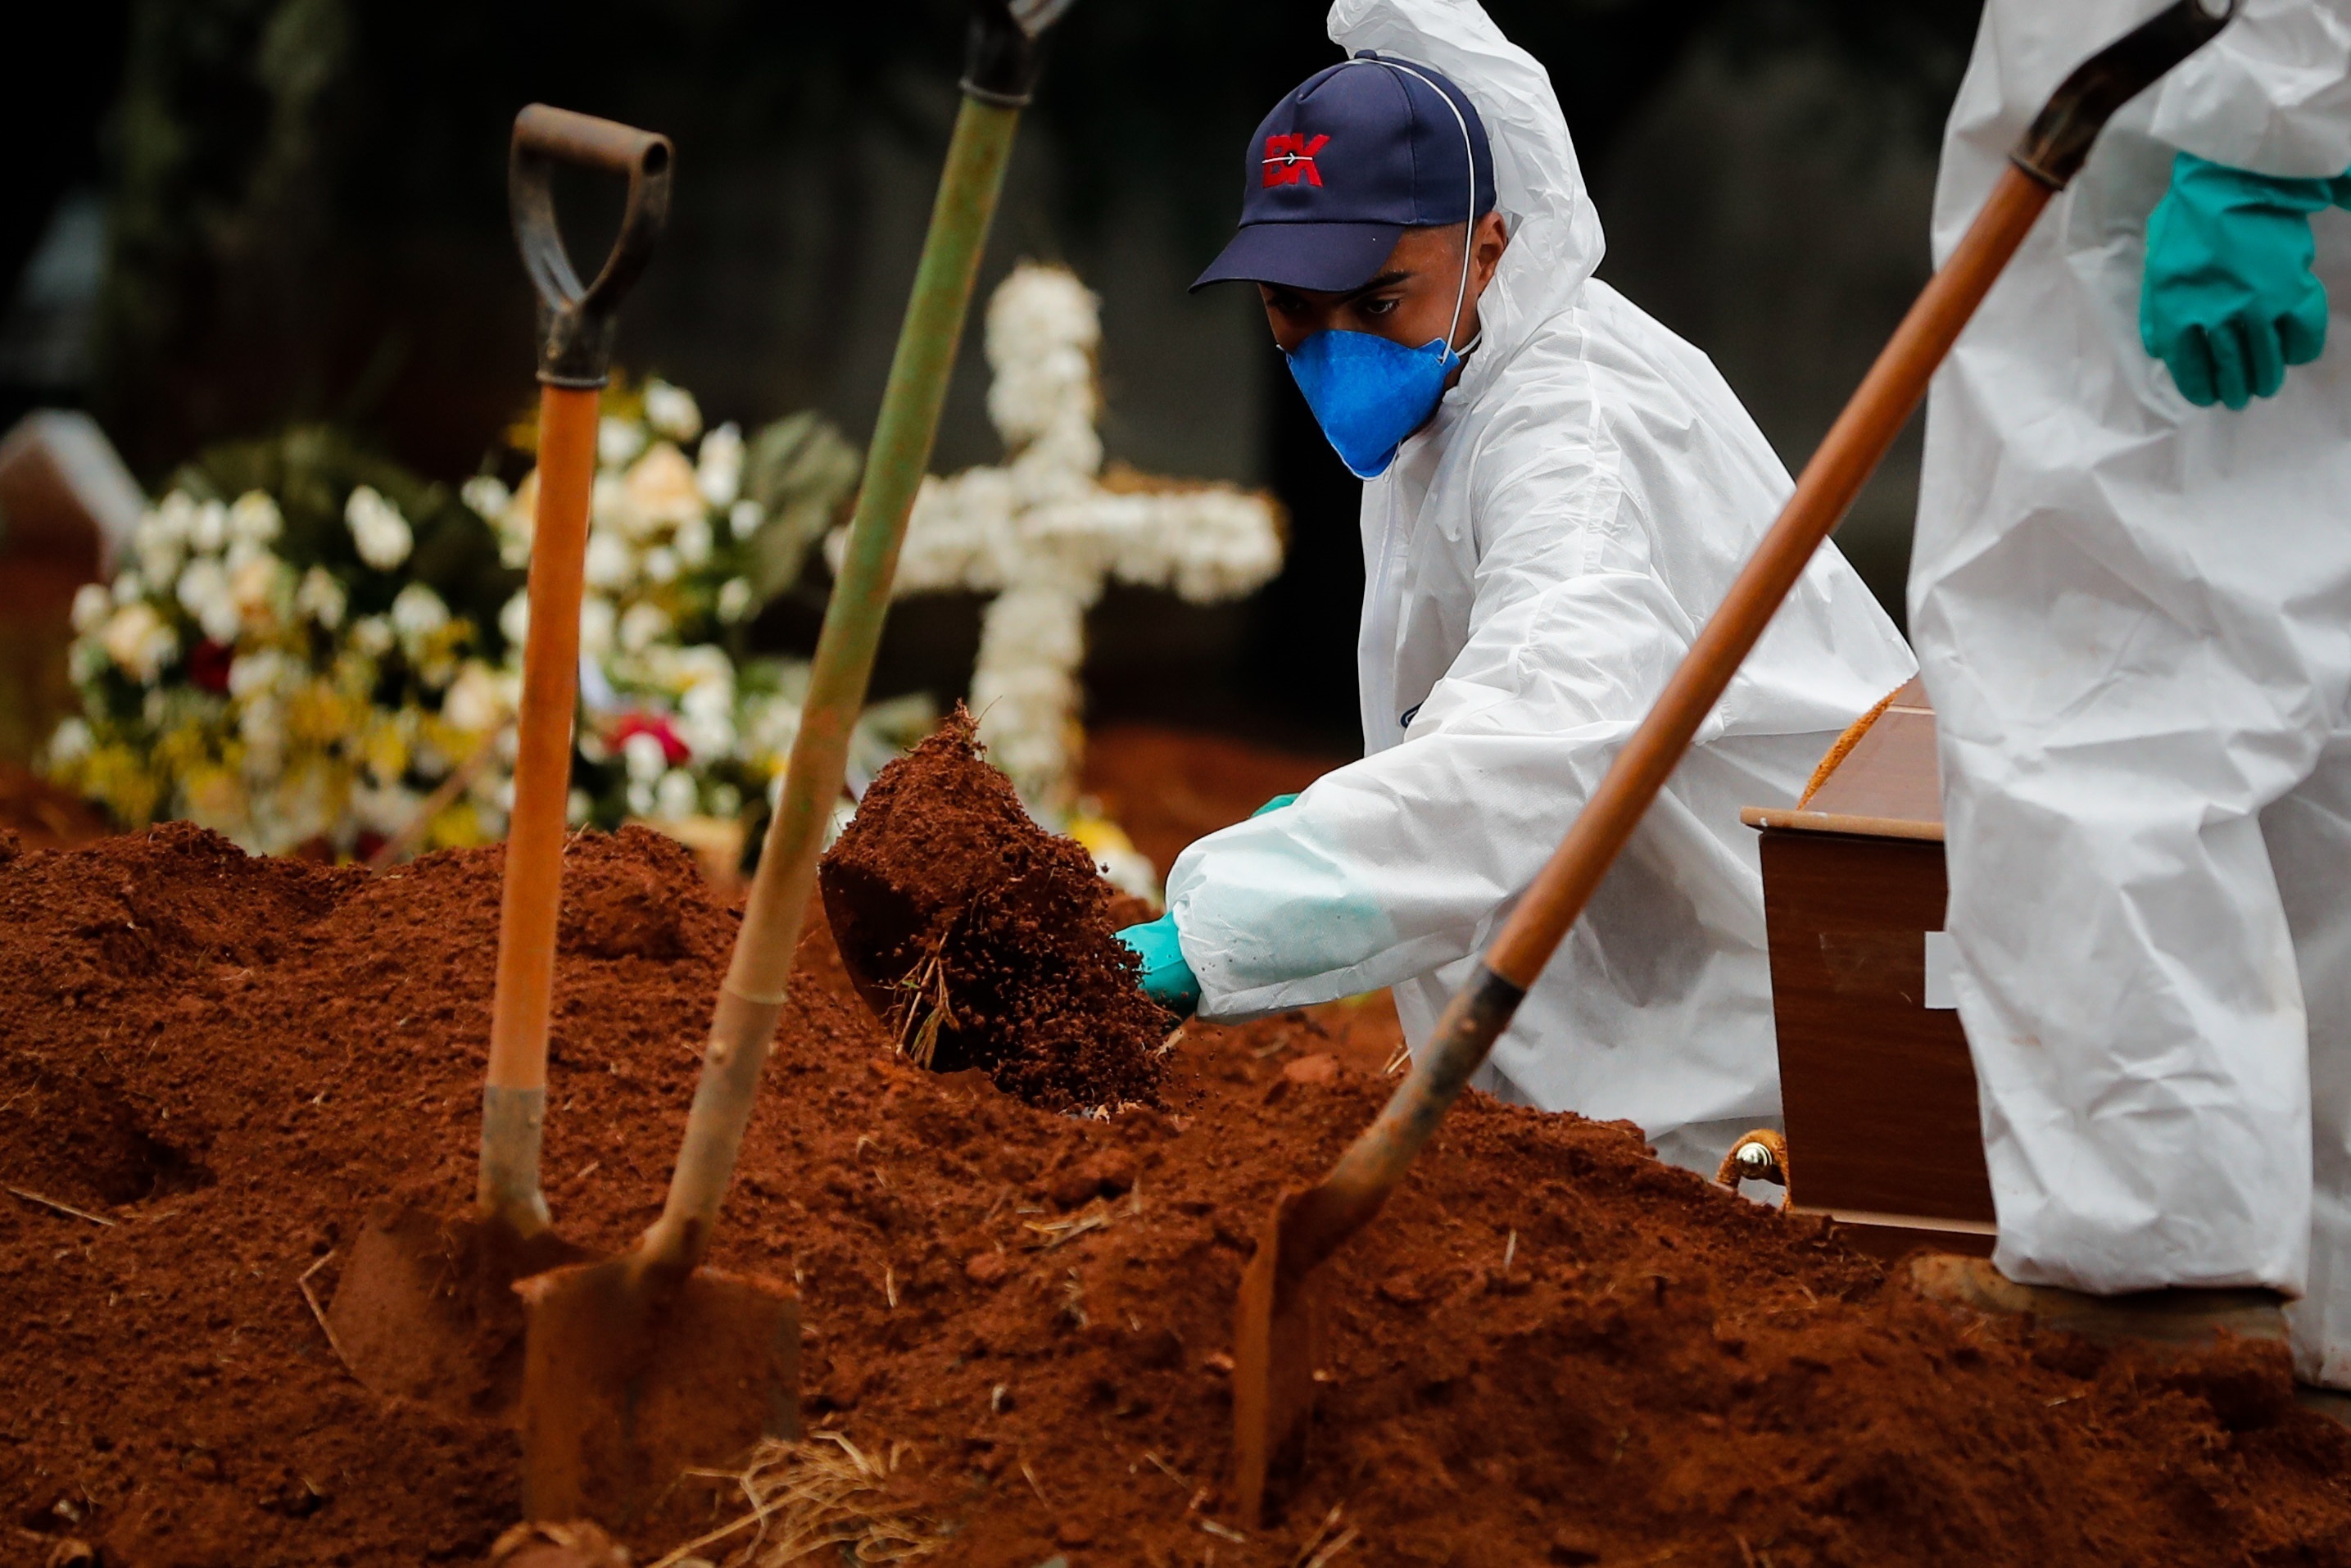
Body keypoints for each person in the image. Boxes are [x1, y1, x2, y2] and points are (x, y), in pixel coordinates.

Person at [1115, 0, 1916, 1176]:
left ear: (1487, 247)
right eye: (1292, 309)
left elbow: (1533, 732)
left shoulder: (1570, 433)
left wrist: (1216, 926)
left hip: (1762, 1052)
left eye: (1377, 299)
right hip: (1652, 1005)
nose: (1336, 345)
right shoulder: (1460, 392)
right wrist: (1328, 823)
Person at [1905, 0, 2351, 1400]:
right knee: (2291, 678)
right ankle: (2316, 1280)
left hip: (2168, 120)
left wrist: (2262, 137)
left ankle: (2156, 1255)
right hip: (2199, 115)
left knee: (2091, 656)